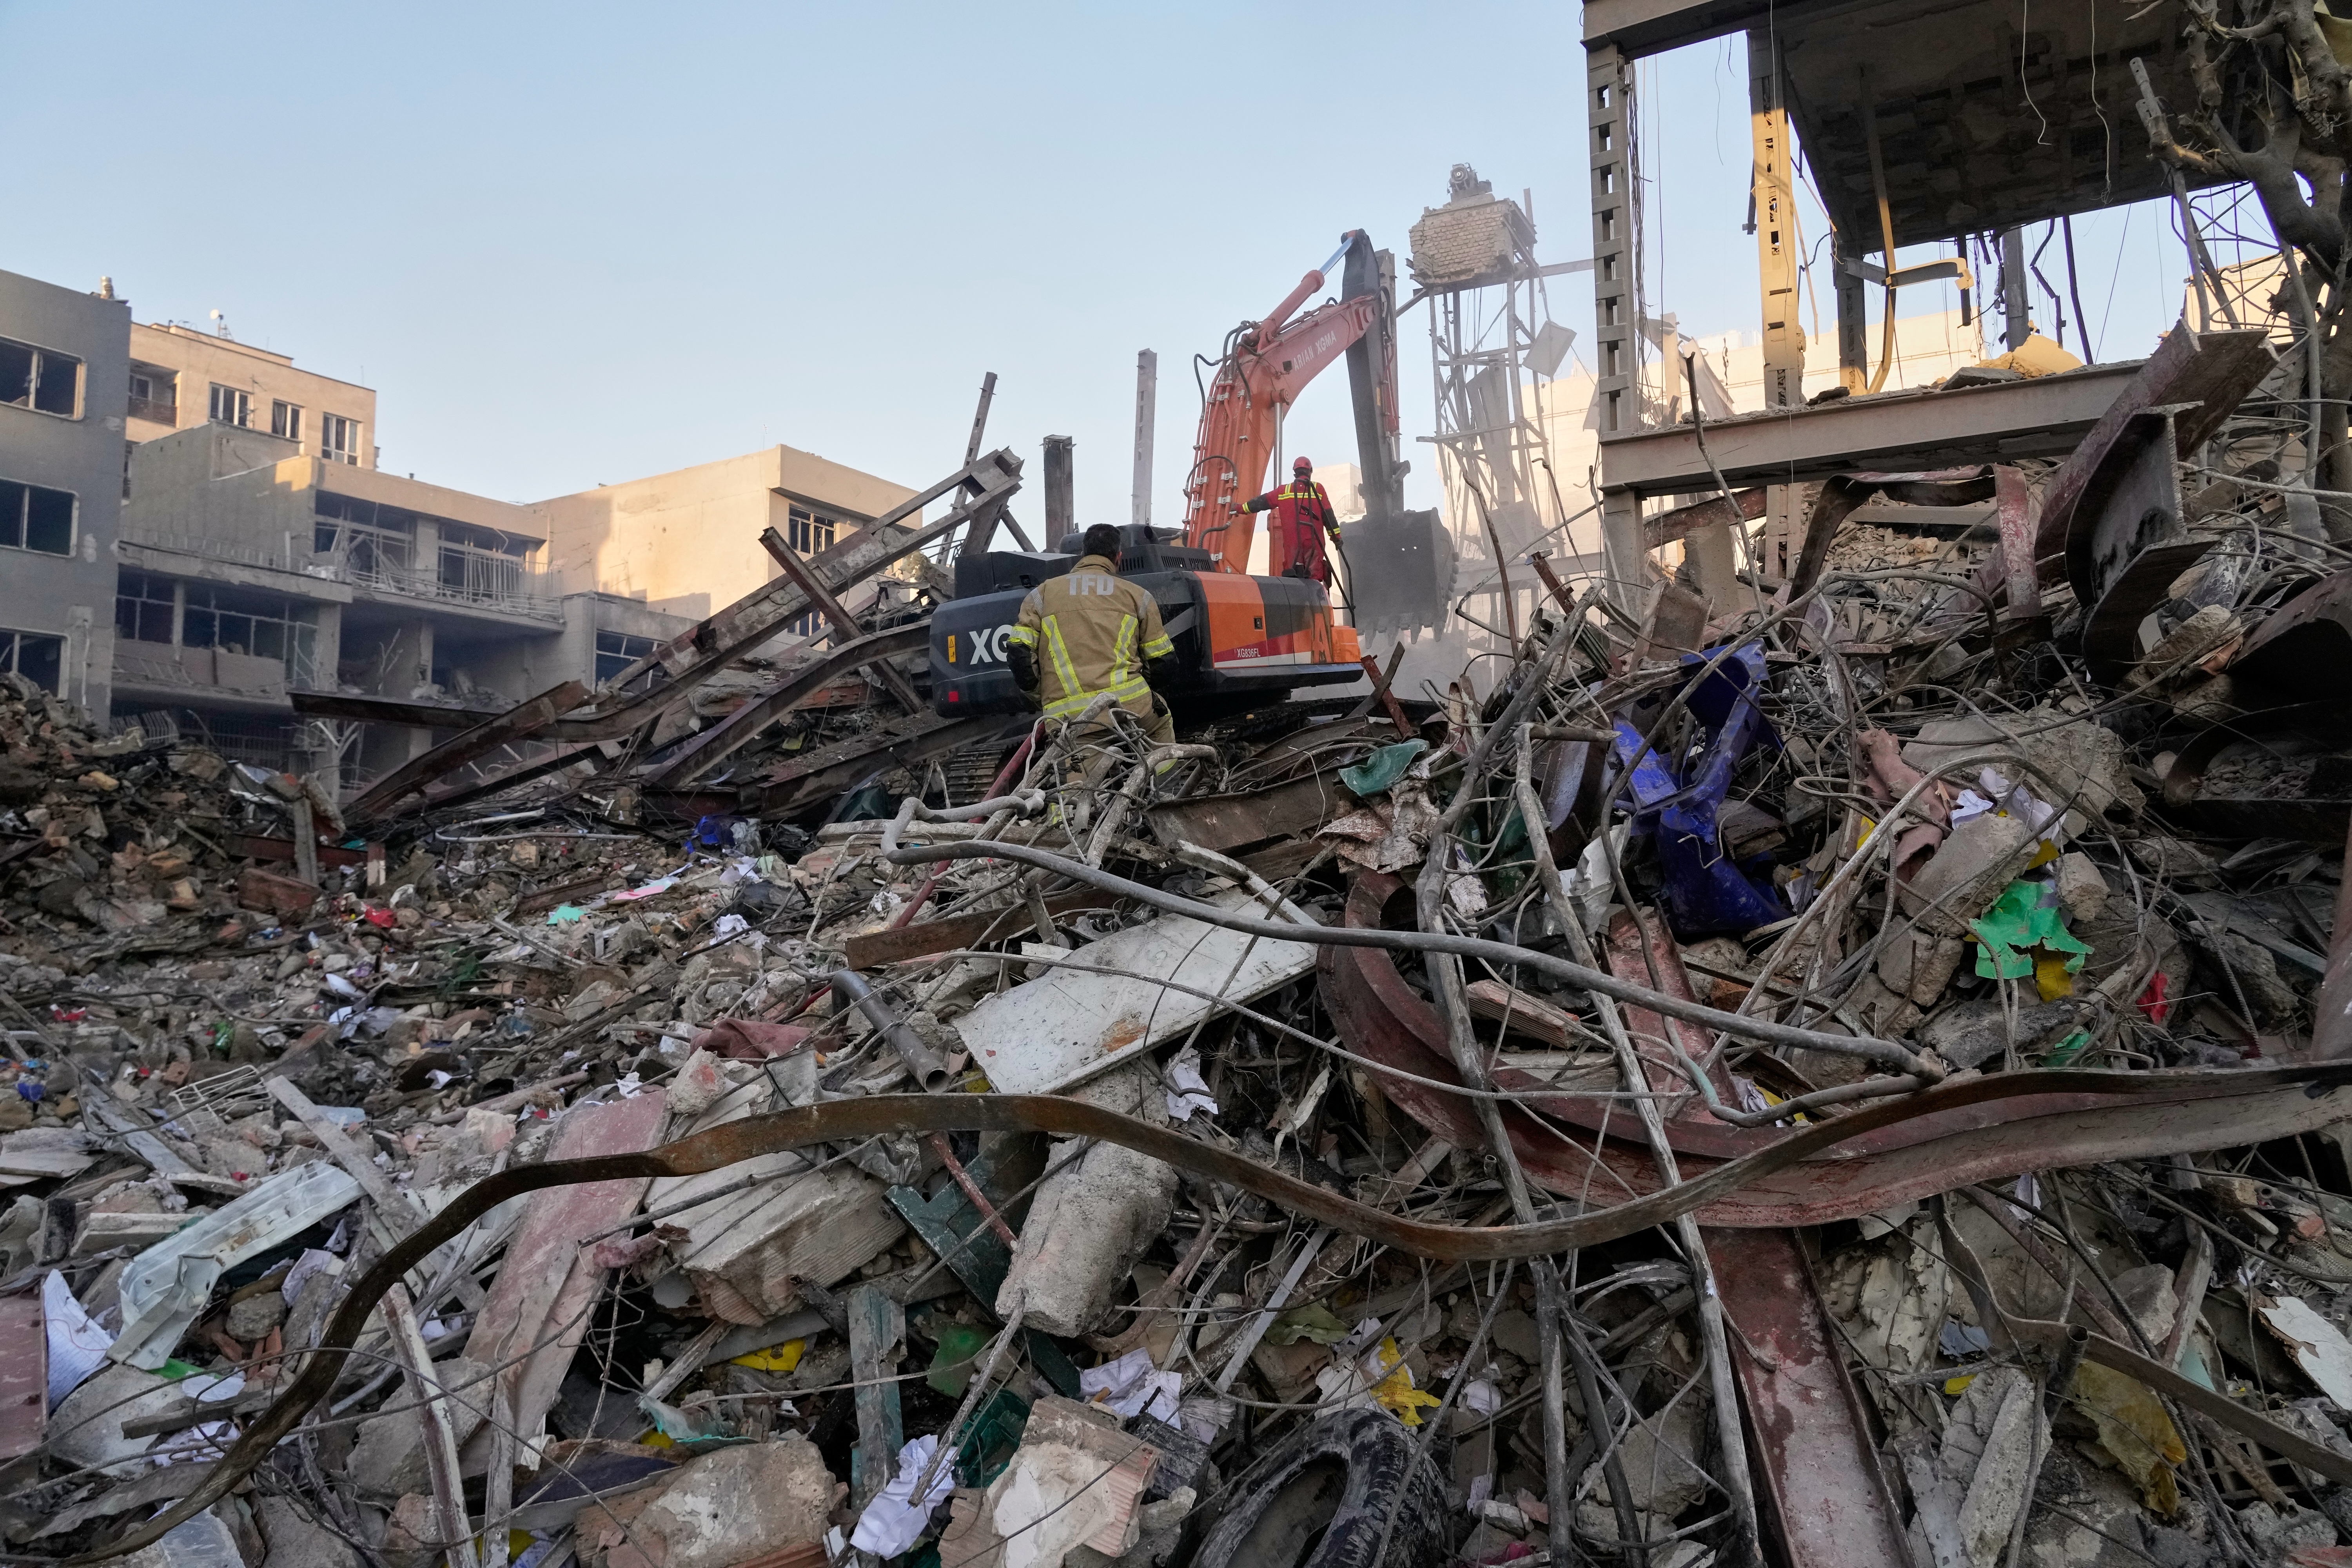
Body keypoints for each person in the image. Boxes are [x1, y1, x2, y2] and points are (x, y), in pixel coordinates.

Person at [1004, 523, 1179, 746]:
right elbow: (1163, 662)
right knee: (1162, 725)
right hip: (1130, 710)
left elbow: (1019, 654)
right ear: (1118, 557)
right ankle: (1165, 779)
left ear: (1082, 554)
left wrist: (1043, 696)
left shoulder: (1041, 595)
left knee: (1077, 780)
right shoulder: (1138, 596)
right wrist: (1145, 692)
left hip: (1070, 721)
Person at [1233, 455, 1343, 585]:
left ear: (1295, 473)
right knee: (1313, 580)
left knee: (1293, 579)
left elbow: (1261, 502)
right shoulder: (1318, 489)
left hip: (1292, 546)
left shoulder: (1283, 491)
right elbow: (1328, 516)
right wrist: (1337, 538)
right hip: (1313, 544)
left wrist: (1240, 508)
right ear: (1310, 471)